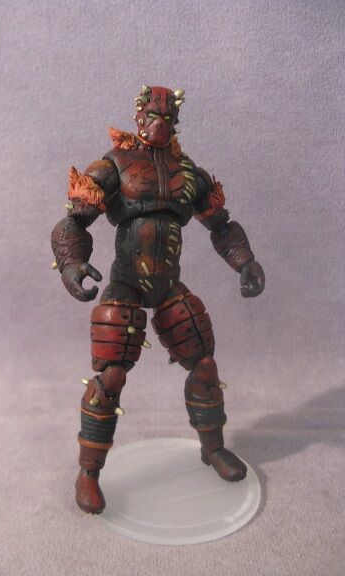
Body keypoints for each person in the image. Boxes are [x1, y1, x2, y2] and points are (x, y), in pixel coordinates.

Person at [51, 86, 265, 514]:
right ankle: (88, 473)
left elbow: (221, 226)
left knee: (204, 365)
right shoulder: (114, 165)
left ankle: (213, 448)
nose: (159, 123)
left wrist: (245, 261)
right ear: (139, 117)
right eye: (152, 115)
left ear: (176, 121)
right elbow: (73, 222)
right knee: (110, 376)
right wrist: (72, 264)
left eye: (167, 117)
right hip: (125, 285)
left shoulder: (188, 172)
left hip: (169, 287)